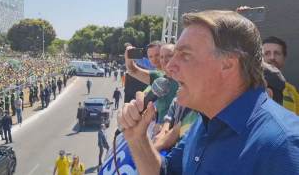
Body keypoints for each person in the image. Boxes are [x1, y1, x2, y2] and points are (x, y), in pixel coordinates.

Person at [117, 10, 299, 175]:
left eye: (185, 55)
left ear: (228, 64)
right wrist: (137, 139)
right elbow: (165, 172)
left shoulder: (284, 145)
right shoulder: (204, 122)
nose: (170, 66)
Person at [262, 36, 299, 114]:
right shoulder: (248, 87)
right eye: (267, 53)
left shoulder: (293, 92)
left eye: (277, 53)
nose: (272, 57)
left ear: (284, 59)